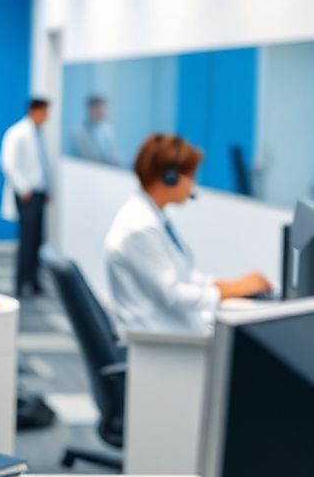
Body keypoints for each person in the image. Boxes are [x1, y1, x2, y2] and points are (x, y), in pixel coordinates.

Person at [105, 134, 272, 334]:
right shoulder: (140, 228)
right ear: (170, 177)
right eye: (191, 177)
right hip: (158, 340)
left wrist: (226, 285)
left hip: (170, 330)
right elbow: (172, 294)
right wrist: (232, 290)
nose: (193, 187)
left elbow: (181, 276)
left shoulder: (153, 217)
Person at [0, 98, 52, 297]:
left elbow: (41, 165)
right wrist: (23, 188)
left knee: (38, 239)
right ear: (34, 110)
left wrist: (46, 188)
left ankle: (34, 281)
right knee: (27, 240)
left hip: (38, 193)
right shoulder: (17, 132)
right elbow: (8, 163)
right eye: (45, 112)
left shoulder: (38, 133)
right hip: (26, 195)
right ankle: (21, 284)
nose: (47, 116)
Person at [73, 95, 122, 166]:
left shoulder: (107, 130)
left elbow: (113, 151)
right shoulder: (79, 132)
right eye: (98, 109)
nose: (101, 112)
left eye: (103, 109)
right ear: (90, 110)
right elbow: (89, 156)